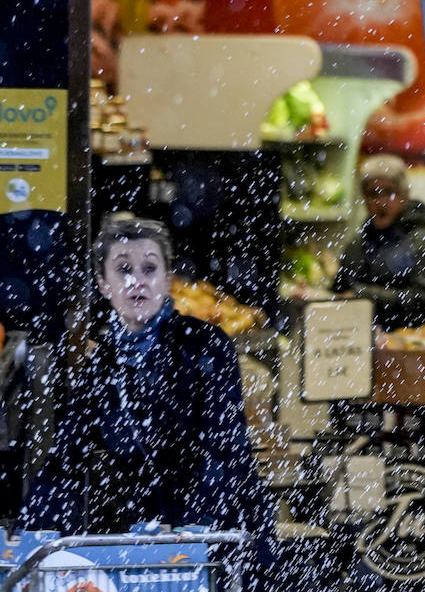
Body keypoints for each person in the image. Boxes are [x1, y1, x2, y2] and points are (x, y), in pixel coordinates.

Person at [22, 213, 274, 548]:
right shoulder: (103, 363)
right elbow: (64, 464)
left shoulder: (205, 343)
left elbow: (225, 449)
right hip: (150, 541)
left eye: (150, 269)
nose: (137, 281)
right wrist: (27, 539)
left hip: (224, 532)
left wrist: (190, 533)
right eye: (124, 269)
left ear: (168, 279)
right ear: (103, 283)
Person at [332, 155, 425, 330]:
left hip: (412, 347)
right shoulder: (358, 243)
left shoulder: (423, 238)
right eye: (373, 193)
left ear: (404, 195)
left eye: (389, 192)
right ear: (364, 198)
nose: (381, 202)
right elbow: (339, 293)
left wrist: (362, 296)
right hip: (361, 345)